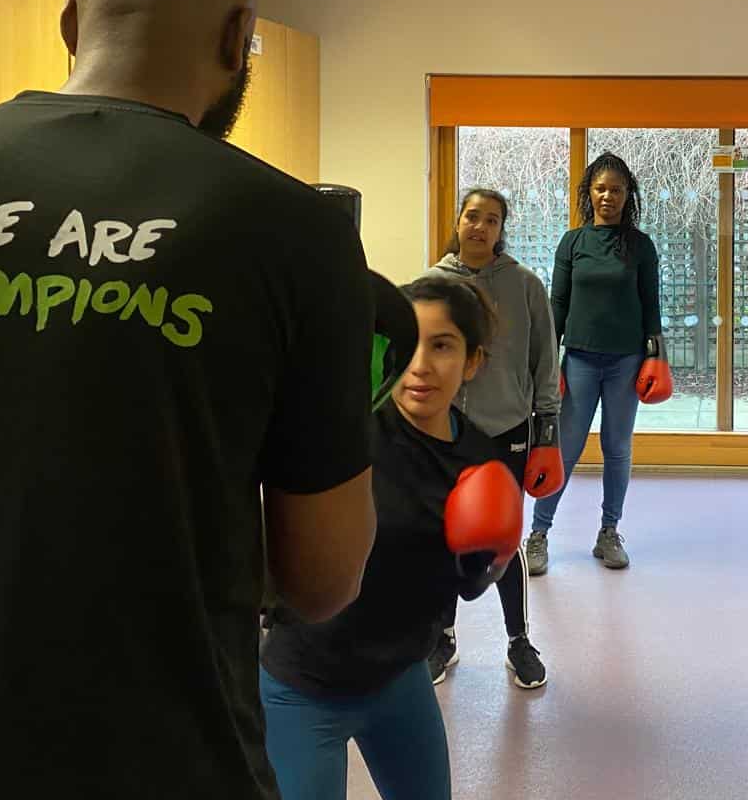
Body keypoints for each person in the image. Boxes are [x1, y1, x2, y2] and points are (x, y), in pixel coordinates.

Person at [0, 0, 380, 799]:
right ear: (240, 40)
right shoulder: (293, 234)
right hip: (159, 756)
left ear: (71, 21)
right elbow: (323, 579)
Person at [261, 273, 523, 800]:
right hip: (303, 683)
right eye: (411, 345)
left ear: (472, 362)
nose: (421, 365)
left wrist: (481, 562)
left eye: (443, 346)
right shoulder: (348, 433)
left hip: (398, 678)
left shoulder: (479, 460)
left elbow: (468, 587)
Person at [423, 187, 561, 689]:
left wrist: (547, 430)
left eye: (492, 220)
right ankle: (442, 637)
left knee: (502, 538)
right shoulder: (431, 284)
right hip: (445, 429)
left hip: (508, 428)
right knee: (442, 535)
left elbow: (546, 360)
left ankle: (519, 641)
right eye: (472, 216)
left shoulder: (524, 285)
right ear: (458, 222)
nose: (479, 226)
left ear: (503, 230)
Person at [526, 151, 667, 574]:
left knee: (617, 449)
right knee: (562, 448)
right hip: (580, 360)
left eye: (617, 190)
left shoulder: (640, 246)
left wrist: (656, 357)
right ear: (589, 192)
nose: (609, 196)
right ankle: (538, 534)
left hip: (627, 362)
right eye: (601, 188)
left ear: (628, 196)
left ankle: (609, 533)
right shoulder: (573, 242)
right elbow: (559, 302)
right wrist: (544, 360)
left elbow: (651, 306)